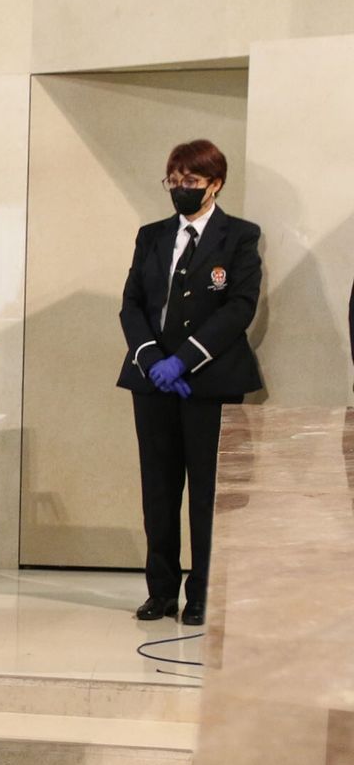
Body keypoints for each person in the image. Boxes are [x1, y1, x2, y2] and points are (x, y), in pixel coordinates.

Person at [116, 139, 261, 627]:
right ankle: (161, 591)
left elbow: (240, 306)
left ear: (215, 184)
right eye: (173, 182)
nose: (180, 190)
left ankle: (203, 592)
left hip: (212, 381)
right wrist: (153, 357)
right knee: (158, 490)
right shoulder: (151, 235)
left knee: (207, 493)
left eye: (191, 183)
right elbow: (132, 303)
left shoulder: (239, 236)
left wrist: (185, 361)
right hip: (152, 380)